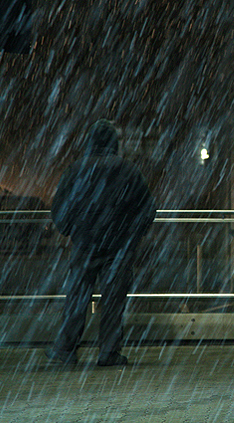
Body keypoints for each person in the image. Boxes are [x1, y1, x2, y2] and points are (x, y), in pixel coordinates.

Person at [47, 119, 157, 366]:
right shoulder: (128, 170)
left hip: (85, 245)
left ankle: (66, 349)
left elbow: (59, 206)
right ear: (114, 143)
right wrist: (130, 238)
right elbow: (147, 209)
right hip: (118, 249)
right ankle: (108, 351)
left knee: (77, 298)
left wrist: (71, 230)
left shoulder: (77, 169)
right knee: (113, 302)